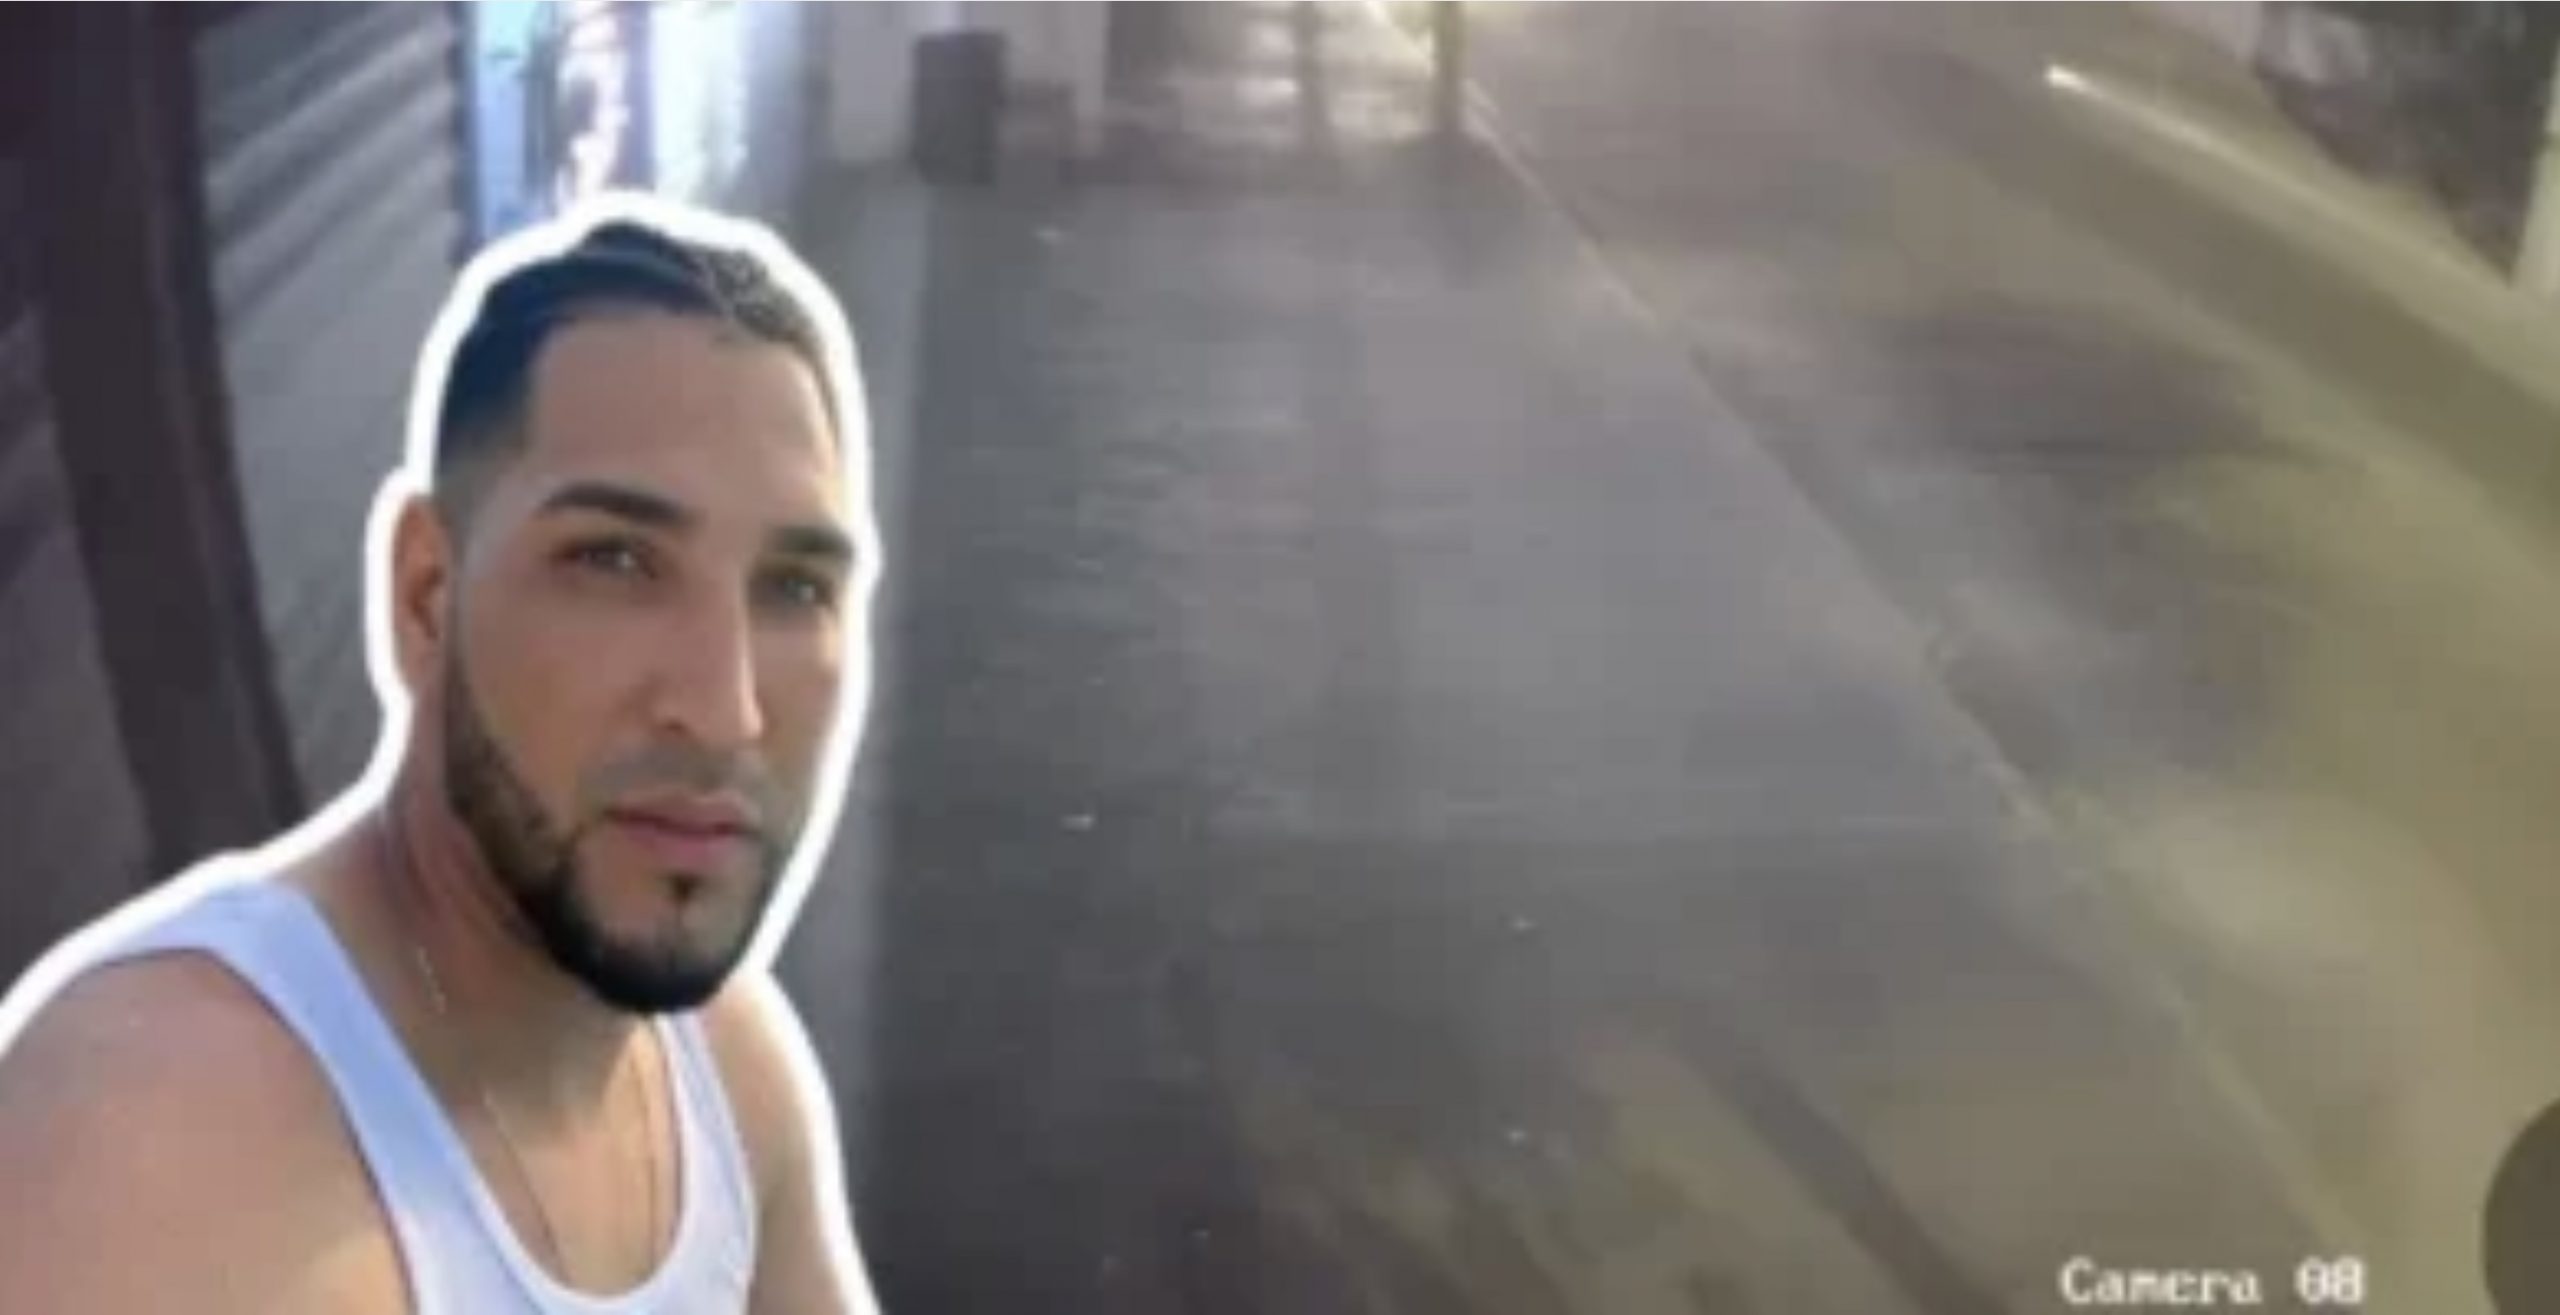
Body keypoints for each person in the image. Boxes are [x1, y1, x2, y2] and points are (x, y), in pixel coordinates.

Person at [0, 200, 885, 1313]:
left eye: (795, 587)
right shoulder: (154, 1139)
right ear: (426, 592)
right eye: (614, 560)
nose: (727, 710)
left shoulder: (725, 1066)